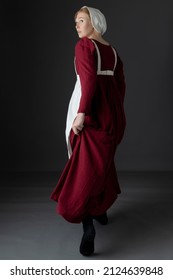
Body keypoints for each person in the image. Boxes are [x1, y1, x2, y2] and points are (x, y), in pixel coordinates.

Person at [50, 6, 126, 256]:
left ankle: (87, 225)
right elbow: (120, 86)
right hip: (111, 115)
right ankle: (100, 208)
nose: (77, 26)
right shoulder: (112, 51)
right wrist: (114, 111)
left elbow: (89, 81)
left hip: (90, 110)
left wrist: (81, 113)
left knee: (84, 167)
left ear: (94, 22)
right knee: (100, 163)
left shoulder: (85, 46)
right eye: (76, 22)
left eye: (81, 21)